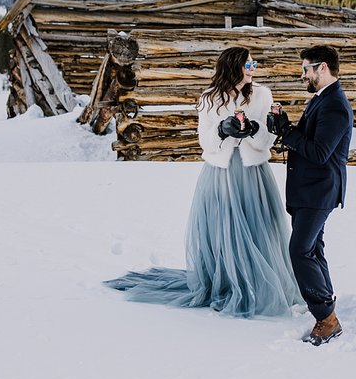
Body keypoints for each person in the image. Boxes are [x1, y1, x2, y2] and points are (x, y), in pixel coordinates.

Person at [105, 47, 302, 318]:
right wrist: (222, 130)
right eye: (248, 64)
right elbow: (205, 142)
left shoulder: (262, 95)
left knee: (259, 229)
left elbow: (267, 140)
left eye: (254, 63)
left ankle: (259, 283)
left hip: (253, 174)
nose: (253, 68)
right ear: (233, 66)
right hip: (221, 174)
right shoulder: (210, 99)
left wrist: (254, 132)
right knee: (225, 229)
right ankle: (228, 283)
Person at [266, 45, 353, 346]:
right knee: (313, 248)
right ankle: (325, 304)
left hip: (319, 190)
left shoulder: (335, 105)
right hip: (311, 189)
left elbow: (319, 152)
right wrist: (286, 127)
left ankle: (326, 319)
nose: (302, 75)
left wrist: (287, 132)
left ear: (323, 68)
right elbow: (312, 139)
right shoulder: (323, 100)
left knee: (300, 250)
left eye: (306, 69)